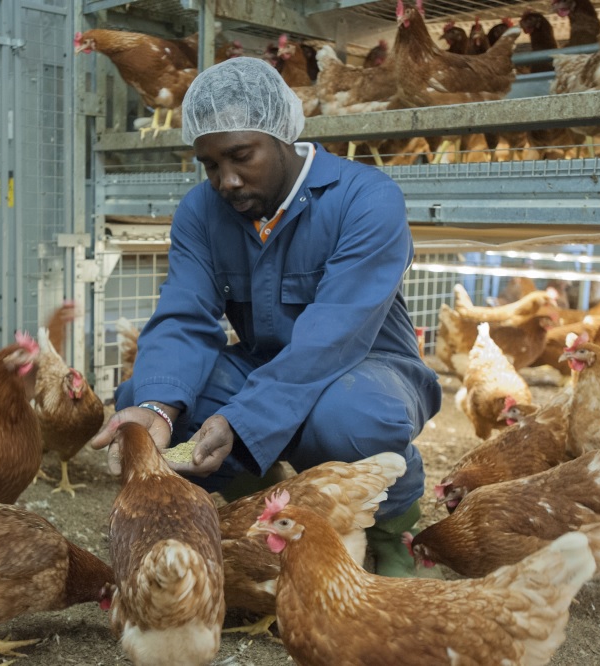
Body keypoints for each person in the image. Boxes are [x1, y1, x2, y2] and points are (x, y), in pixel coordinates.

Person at [88, 56, 442, 577]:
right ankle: (251, 496)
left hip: (364, 366)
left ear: (282, 135)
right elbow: (185, 316)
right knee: (147, 397)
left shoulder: (366, 199)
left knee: (349, 418)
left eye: (240, 156)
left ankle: (393, 520)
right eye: (209, 165)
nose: (225, 180)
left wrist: (242, 419)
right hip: (261, 365)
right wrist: (157, 409)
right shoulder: (201, 212)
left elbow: (333, 337)